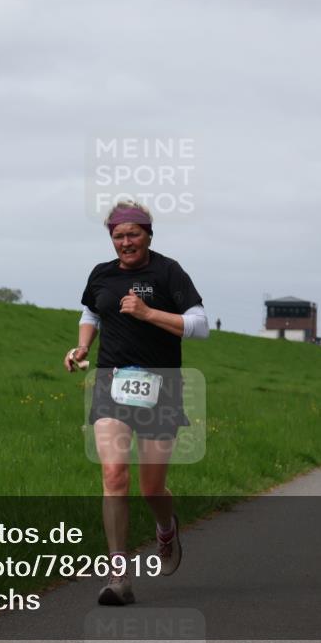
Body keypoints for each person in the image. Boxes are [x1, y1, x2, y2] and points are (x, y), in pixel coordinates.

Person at [65, 200, 208, 606]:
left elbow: (200, 328)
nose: (125, 242)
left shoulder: (168, 271)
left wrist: (148, 313)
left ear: (148, 233)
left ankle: (166, 528)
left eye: (133, 234)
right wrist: (80, 347)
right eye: (118, 236)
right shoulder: (101, 275)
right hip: (111, 382)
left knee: (150, 486)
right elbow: (91, 313)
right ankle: (118, 576)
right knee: (113, 476)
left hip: (162, 386)